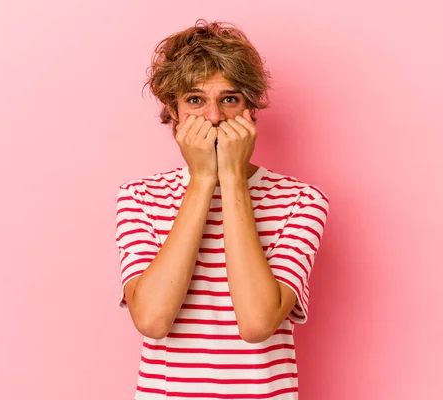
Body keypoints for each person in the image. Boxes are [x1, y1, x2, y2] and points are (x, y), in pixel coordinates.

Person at [115, 19, 330, 399]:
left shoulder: (301, 200)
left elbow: (257, 323)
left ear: (250, 108)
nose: (213, 117)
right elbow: (152, 319)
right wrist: (201, 182)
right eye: (195, 100)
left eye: (229, 99)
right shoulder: (139, 197)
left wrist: (231, 178)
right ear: (174, 111)